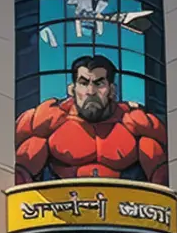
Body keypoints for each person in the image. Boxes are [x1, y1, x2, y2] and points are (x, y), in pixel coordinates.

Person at [14, 55, 168, 184]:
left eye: (99, 83)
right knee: (34, 143)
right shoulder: (50, 118)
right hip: (58, 207)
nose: (91, 91)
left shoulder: (134, 121)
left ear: (112, 90)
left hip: (126, 207)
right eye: (83, 83)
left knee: (151, 145)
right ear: (72, 89)